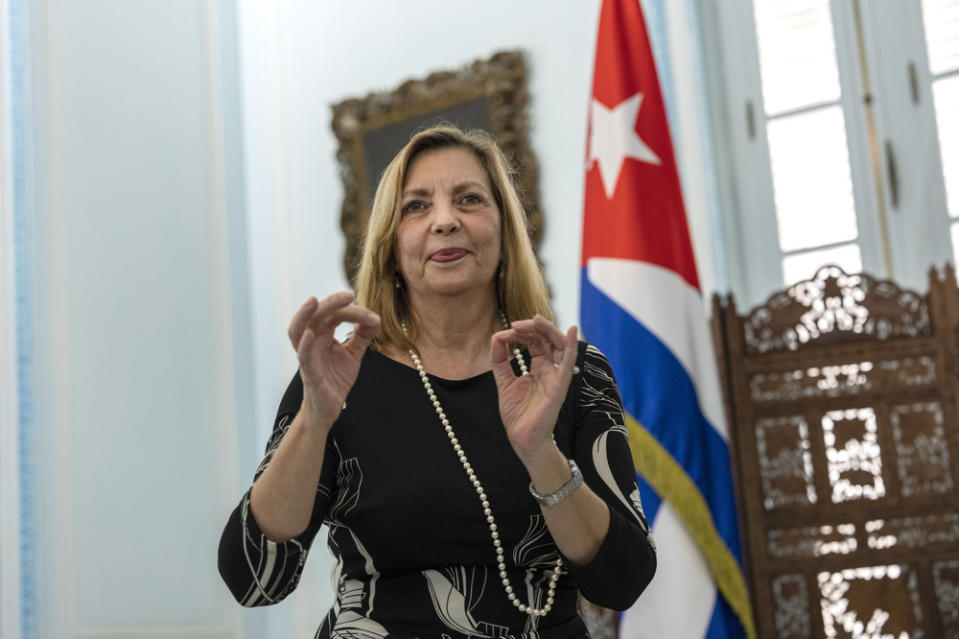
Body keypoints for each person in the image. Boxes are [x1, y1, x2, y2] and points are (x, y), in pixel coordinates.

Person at [218, 125, 657, 638]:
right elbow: (253, 580)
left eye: (469, 199)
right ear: (391, 246)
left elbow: (622, 582)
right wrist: (315, 422)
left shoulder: (568, 372)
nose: (445, 221)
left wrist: (541, 453)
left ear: (504, 231)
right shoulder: (340, 376)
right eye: (416, 207)